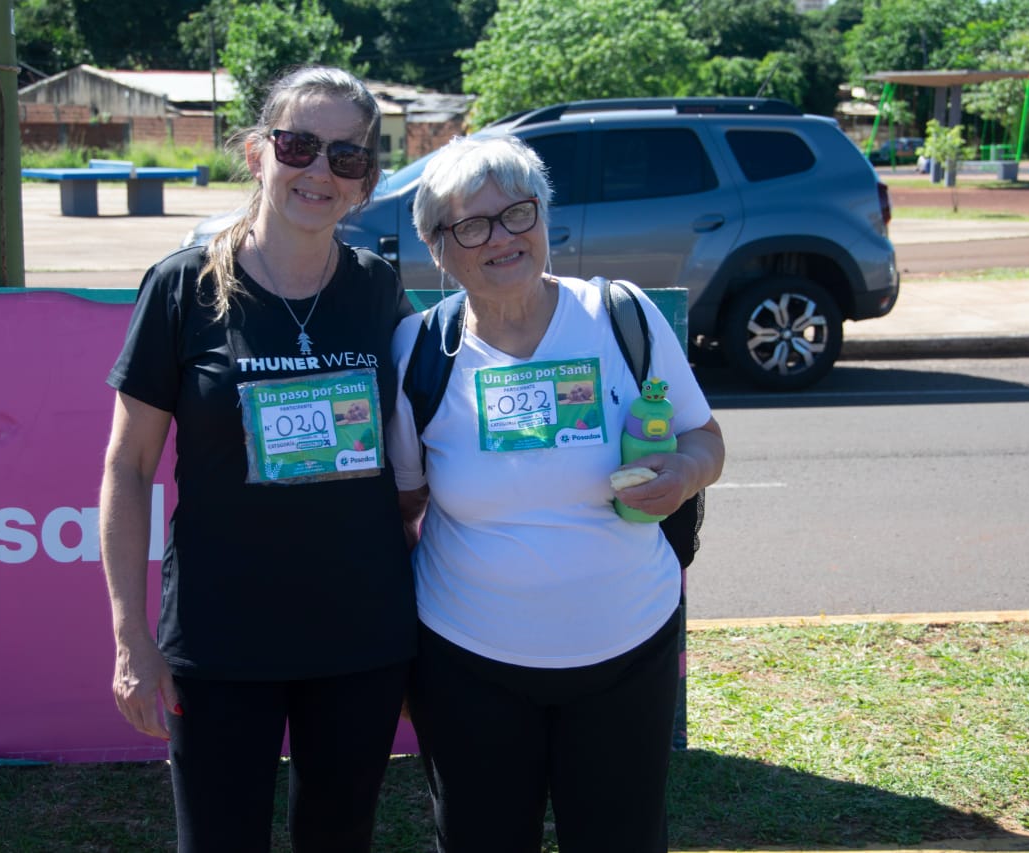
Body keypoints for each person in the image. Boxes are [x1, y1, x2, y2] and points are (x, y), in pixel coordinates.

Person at [98, 66, 416, 853]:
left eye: (346, 156)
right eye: (300, 144)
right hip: (221, 638)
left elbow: (418, 460)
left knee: (338, 839)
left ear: (367, 180)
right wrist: (130, 637)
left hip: (359, 635)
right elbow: (127, 469)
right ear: (256, 152)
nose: (319, 170)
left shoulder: (382, 292)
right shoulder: (182, 289)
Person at [388, 135, 726, 853]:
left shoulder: (620, 318)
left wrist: (684, 474)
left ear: (545, 217)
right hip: (467, 662)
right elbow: (405, 505)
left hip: (627, 652)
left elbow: (704, 438)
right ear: (437, 248)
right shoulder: (418, 351)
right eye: (472, 225)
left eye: (518, 213)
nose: (502, 237)